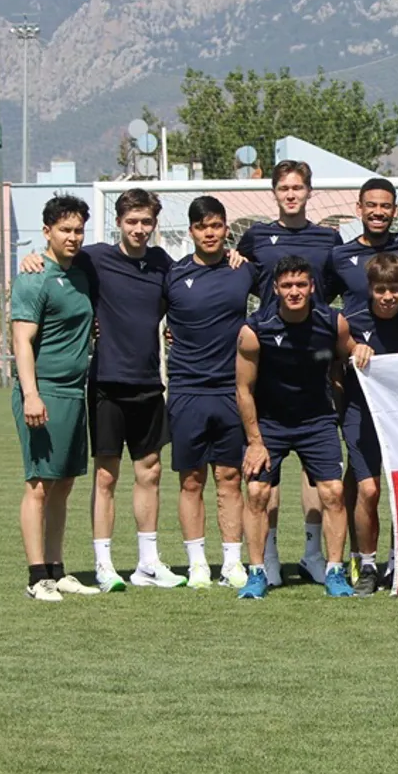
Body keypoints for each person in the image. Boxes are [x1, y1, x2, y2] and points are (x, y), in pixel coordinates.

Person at [20, 188, 182, 591]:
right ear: (118, 222)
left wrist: (233, 258)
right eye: (132, 221)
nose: (139, 229)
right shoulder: (93, 259)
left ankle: (148, 563)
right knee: (103, 476)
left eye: (146, 222)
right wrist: (30, 257)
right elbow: (53, 259)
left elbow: (188, 291)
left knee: (150, 472)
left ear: (155, 224)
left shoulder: (163, 263)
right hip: (105, 383)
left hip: (148, 382)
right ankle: (103, 564)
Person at [236, 160, 340, 586]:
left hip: (312, 359)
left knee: (320, 477)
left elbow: (341, 287)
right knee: (264, 480)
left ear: (310, 192)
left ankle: (314, 555)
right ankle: (269, 557)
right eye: (284, 188)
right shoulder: (256, 237)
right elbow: (235, 277)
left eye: (298, 187)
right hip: (269, 360)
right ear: (274, 193)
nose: (291, 194)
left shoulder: (329, 239)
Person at [235, 256, 358, 599]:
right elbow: (243, 389)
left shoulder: (333, 322)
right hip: (269, 424)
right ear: (275, 288)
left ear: (312, 287)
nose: (294, 291)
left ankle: (334, 571)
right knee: (257, 493)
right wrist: (255, 441)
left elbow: (350, 354)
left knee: (333, 493)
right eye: (287, 285)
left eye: (301, 284)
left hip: (316, 422)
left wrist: (361, 350)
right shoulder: (255, 329)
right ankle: (257, 572)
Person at [10, 195, 100, 601]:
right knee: (38, 485)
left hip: (74, 392)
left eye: (78, 229)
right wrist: (31, 394)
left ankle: (57, 569)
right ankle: (36, 578)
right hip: (43, 392)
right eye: (65, 229)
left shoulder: (80, 273)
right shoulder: (33, 277)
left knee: (63, 483)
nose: (73, 237)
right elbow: (21, 340)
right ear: (47, 232)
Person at [163, 196, 255, 589]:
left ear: (226, 229)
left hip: (231, 390)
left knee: (230, 476)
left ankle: (232, 563)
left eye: (216, 226)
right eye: (202, 227)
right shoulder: (173, 274)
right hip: (187, 389)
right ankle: (197, 563)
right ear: (191, 232)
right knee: (191, 480)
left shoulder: (243, 270)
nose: (210, 233)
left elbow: (286, 295)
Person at [341, 253, 398, 596]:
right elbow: (335, 358)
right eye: (381, 290)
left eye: (395, 289)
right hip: (361, 414)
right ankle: (366, 565)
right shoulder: (351, 320)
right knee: (369, 490)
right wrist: (353, 349)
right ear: (370, 289)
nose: (388, 297)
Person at [324, 177, 398, 309]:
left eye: (385, 206)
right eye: (371, 205)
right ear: (359, 208)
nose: (378, 212)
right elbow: (321, 302)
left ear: (395, 210)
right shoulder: (339, 256)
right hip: (357, 323)